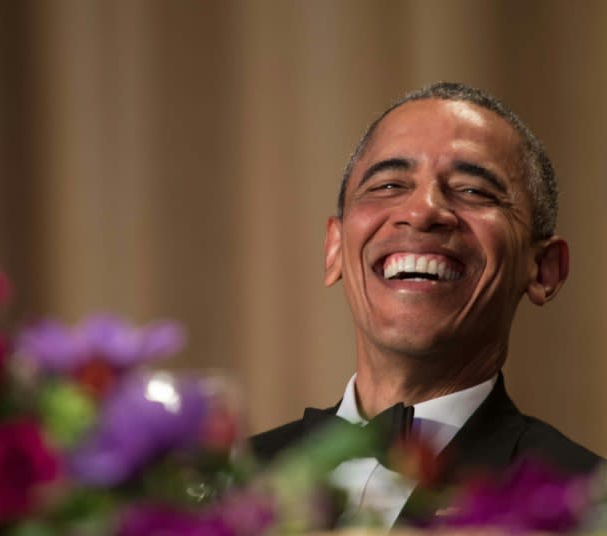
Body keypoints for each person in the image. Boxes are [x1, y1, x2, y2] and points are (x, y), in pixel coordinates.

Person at [250, 82, 603, 528]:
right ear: (335, 249)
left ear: (544, 270)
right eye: (390, 184)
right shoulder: (222, 491)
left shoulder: (583, 506)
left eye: (474, 190)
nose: (422, 211)